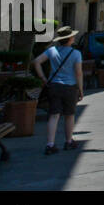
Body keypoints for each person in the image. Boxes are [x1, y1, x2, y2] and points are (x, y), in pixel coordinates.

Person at [31, 25, 83, 155]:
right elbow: (78, 73)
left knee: (54, 115)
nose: (74, 37)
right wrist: (80, 89)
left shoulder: (52, 50)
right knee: (69, 115)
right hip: (70, 87)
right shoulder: (76, 53)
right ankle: (68, 141)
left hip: (53, 86)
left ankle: (50, 144)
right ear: (70, 38)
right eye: (72, 36)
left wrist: (43, 78)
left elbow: (36, 62)